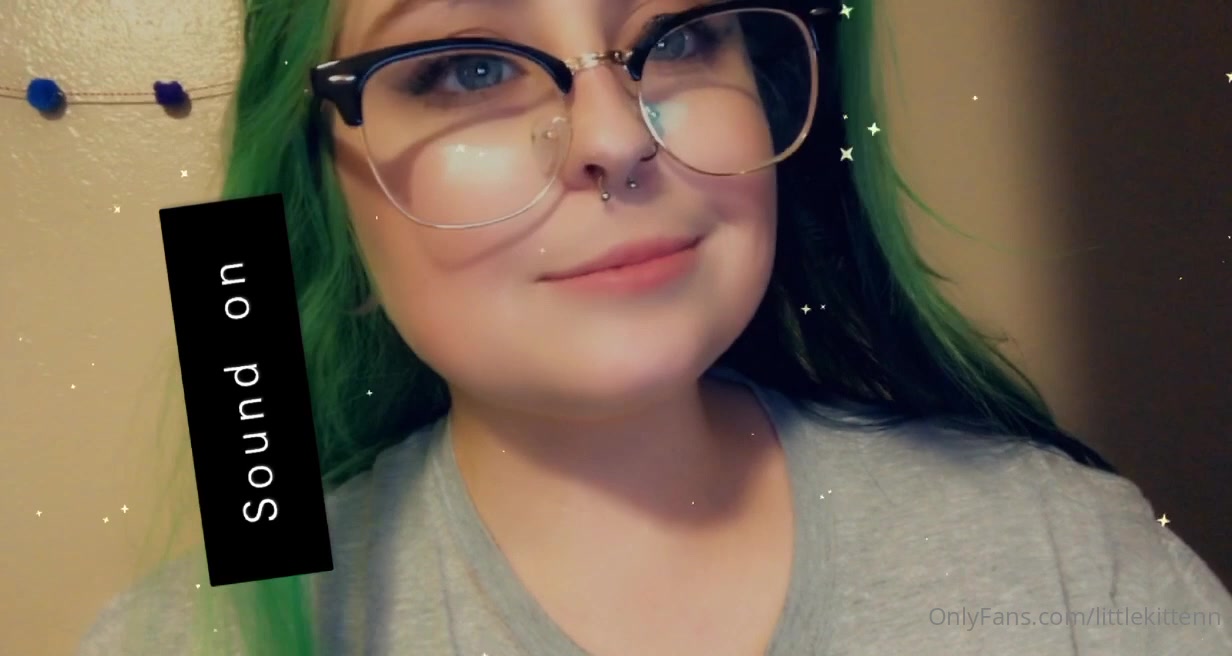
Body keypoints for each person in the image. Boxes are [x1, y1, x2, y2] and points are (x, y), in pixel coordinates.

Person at [77, 0, 1232, 654]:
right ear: (326, 206)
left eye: (677, 35)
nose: (616, 136)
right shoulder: (183, 638)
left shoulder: (1064, 554)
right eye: (465, 67)